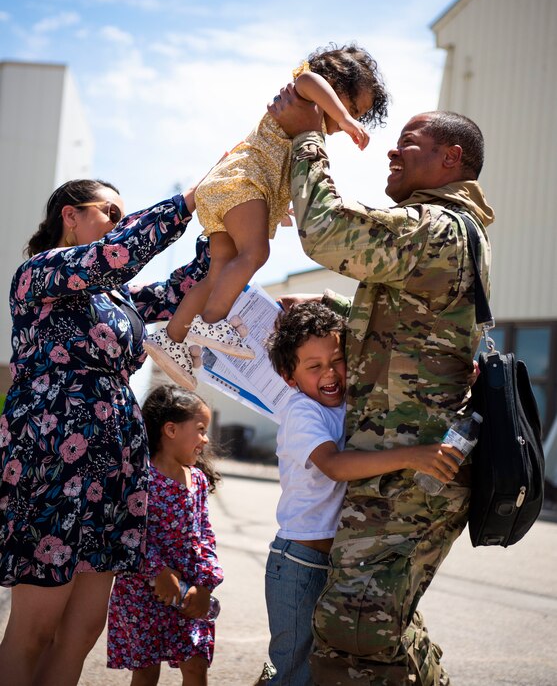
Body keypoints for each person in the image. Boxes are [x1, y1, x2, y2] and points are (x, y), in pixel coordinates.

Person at [268, 90, 495, 685]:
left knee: (359, 625)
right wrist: (333, 306)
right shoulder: (448, 232)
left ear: (450, 158)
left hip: (412, 472)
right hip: (405, 470)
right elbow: (417, 327)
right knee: (368, 620)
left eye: (410, 144)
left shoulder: (437, 228)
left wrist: (305, 138)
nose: (393, 150)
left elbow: (327, 232)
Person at [0, 179, 211, 686]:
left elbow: (184, 288)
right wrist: (191, 200)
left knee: (82, 628)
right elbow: (117, 254)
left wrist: (230, 220)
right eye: (111, 212)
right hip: (54, 459)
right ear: (71, 217)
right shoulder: (40, 272)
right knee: (36, 626)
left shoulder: (119, 296)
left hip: (115, 464)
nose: (120, 222)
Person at [144, 44, 389, 388]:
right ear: (334, 84)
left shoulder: (305, 126)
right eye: (353, 107)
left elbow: (281, 171)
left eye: (358, 115)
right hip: (240, 182)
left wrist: (279, 207)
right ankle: (213, 322)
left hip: (232, 188)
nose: (352, 118)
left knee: (217, 276)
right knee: (256, 253)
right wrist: (344, 119)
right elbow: (309, 79)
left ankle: (171, 339)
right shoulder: (303, 96)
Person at [261, 302, 463, 686]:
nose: (330, 373)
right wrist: (413, 457)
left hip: (338, 561)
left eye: (337, 359)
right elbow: (334, 465)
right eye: (314, 366)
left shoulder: (352, 401)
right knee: (292, 671)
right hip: (299, 565)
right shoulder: (302, 411)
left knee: (325, 670)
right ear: (290, 377)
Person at [107, 384, 223, 686]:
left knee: (196, 666)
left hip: (188, 593)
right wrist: (157, 571)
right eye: (199, 429)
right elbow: (128, 532)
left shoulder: (196, 479)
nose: (206, 439)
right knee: (146, 673)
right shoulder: (139, 476)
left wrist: (205, 584)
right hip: (142, 593)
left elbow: (205, 534)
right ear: (170, 429)